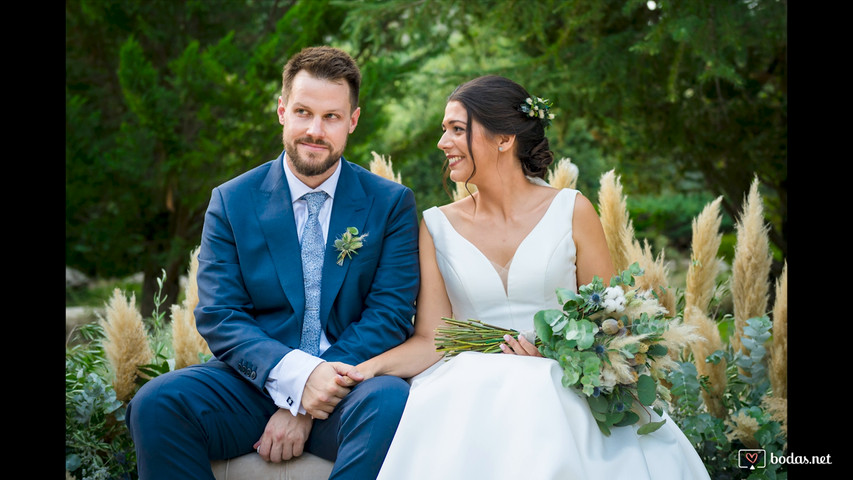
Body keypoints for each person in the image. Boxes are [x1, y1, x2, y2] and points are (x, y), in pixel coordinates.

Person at [353, 75, 710, 479]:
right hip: (468, 392)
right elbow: (434, 340)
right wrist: (366, 369)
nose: (443, 143)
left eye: (456, 129)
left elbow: (615, 322)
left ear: (504, 139)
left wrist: (562, 354)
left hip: (563, 382)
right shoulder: (435, 226)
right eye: (444, 130)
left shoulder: (571, 210)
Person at [126, 46, 421, 480]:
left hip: (350, 389)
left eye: (331, 117)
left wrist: (318, 391)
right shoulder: (231, 201)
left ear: (353, 122)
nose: (315, 131)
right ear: (282, 111)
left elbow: (390, 315)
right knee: (157, 404)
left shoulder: (390, 203)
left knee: (390, 401)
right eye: (303, 112)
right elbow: (220, 314)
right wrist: (298, 384)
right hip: (252, 385)